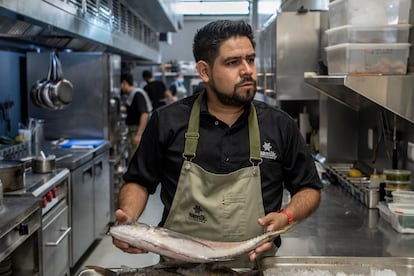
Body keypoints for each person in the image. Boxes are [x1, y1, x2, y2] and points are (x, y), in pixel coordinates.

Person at [113, 20, 322, 268]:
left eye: (251, 60)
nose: (248, 70)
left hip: (253, 267)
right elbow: (139, 181)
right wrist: (129, 222)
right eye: (233, 62)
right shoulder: (167, 121)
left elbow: (309, 188)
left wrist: (287, 216)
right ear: (204, 71)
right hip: (178, 269)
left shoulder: (280, 125)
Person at [120, 73, 152, 163]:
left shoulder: (137, 94)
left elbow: (144, 114)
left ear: (124, 83)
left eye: (120, 85)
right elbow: (135, 111)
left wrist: (139, 134)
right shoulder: (134, 94)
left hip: (136, 130)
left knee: (135, 160)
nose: (120, 88)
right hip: (134, 130)